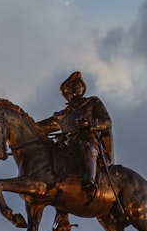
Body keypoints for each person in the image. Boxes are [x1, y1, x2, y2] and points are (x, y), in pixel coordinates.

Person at [37, 71, 113, 204]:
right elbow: (38, 128)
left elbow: (107, 123)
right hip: (69, 148)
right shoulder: (61, 115)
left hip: (89, 142)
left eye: (78, 85)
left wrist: (90, 125)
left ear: (83, 89)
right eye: (71, 86)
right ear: (67, 92)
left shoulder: (92, 102)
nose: (76, 87)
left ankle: (90, 182)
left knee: (88, 149)